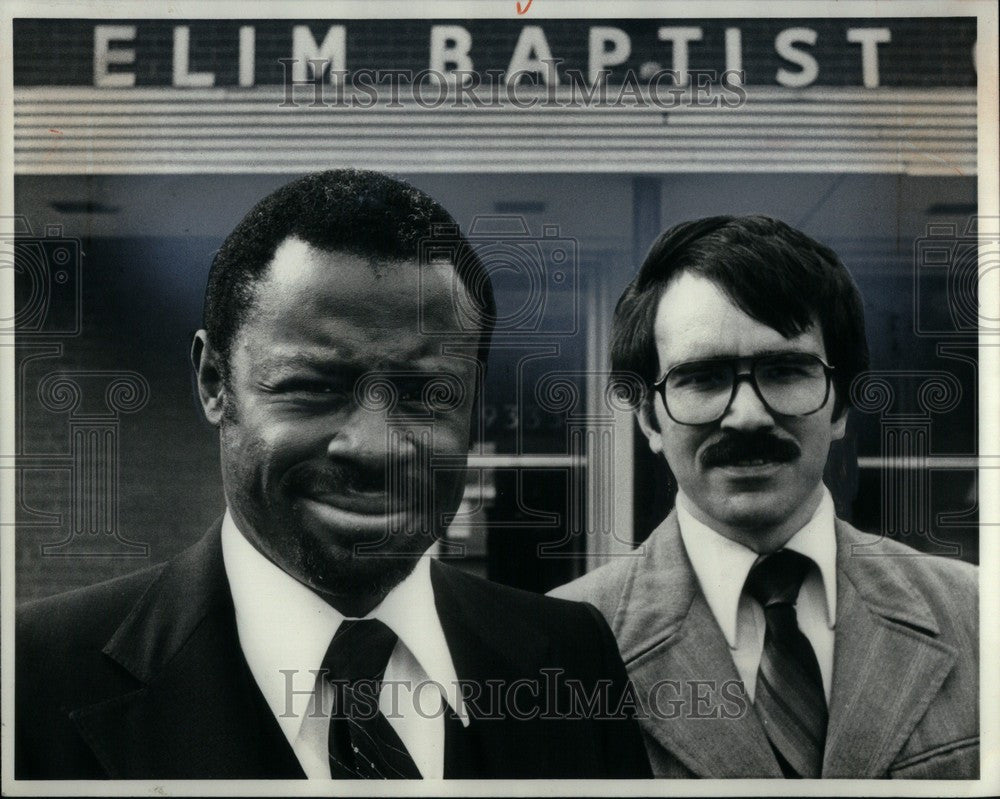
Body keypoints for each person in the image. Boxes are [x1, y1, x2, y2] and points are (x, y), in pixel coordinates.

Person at [16, 170, 651, 780]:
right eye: (313, 387)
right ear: (214, 382)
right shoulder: (32, 678)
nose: (373, 448)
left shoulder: (571, 658)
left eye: (426, 392)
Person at [552, 215, 978, 779]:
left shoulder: (977, 614)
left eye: (784, 371)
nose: (748, 416)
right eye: (702, 378)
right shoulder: (557, 644)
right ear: (649, 420)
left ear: (843, 405)